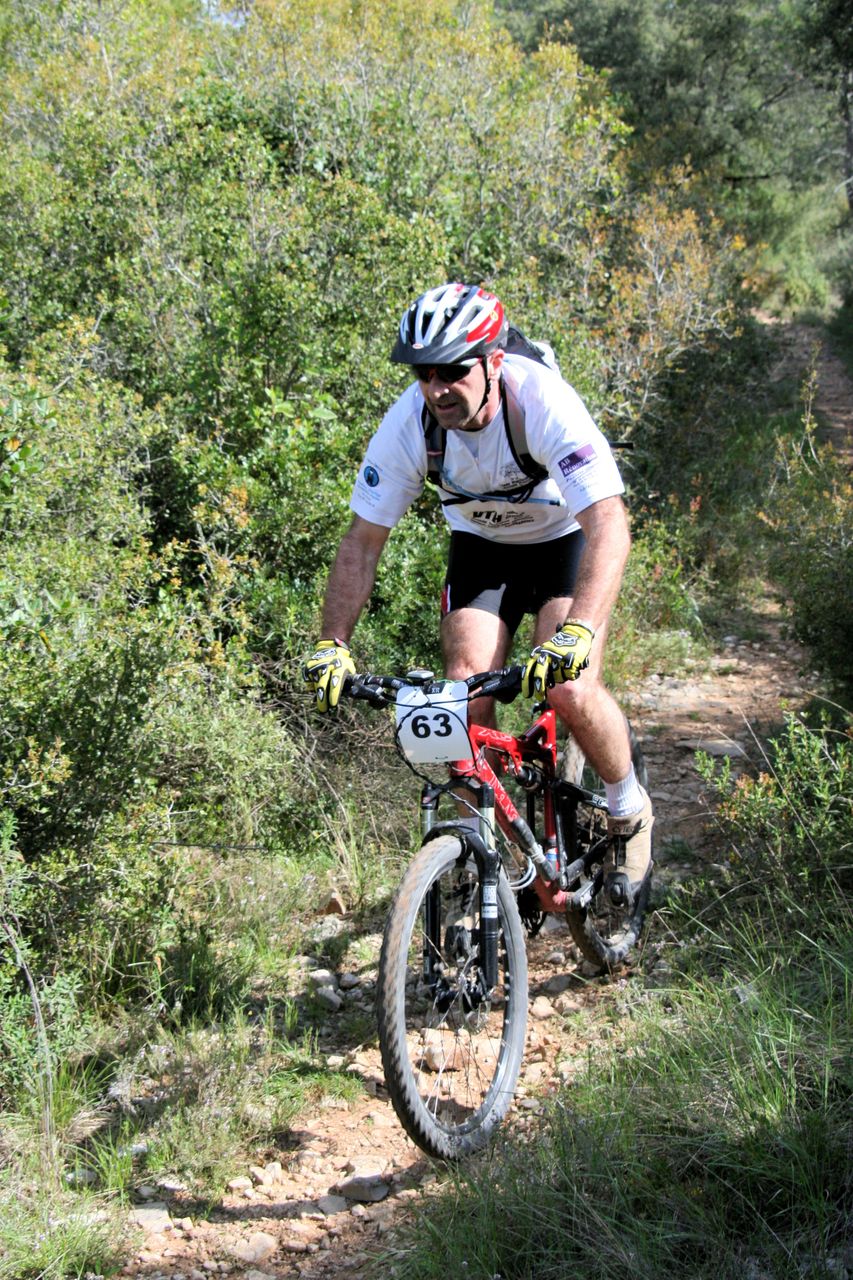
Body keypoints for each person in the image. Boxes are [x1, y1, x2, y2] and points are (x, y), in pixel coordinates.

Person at [301, 282, 653, 908]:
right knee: (462, 695)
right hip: (483, 548)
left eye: (453, 371)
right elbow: (362, 542)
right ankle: (479, 865)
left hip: (563, 541)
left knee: (569, 686)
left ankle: (629, 806)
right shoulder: (411, 423)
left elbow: (609, 525)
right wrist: (333, 644)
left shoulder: (540, 402)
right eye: (424, 374)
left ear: (493, 361)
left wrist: (578, 632)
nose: (437, 389)